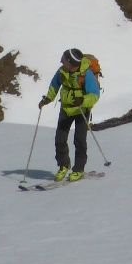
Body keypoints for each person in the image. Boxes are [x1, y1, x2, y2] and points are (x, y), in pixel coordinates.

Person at [38, 47, 100, 182]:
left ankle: (78, 169)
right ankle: (63, 165)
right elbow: (55, 85)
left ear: (70, 62)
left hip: (82, 110)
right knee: (60, 139)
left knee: (79, 140)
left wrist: (83, 100)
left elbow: (95, 94)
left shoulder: (86, 74)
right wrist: (48, 99)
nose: (61, 61)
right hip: (66, 108)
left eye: (64, 59)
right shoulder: (62, 71)